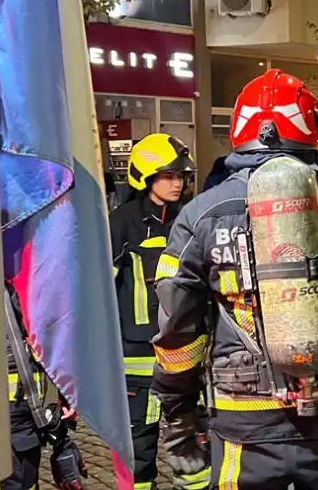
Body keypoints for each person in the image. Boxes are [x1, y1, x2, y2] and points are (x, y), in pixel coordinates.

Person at [150, 69, 318, 488]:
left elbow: (177, 328)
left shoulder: (200, 215)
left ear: (239, 130)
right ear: (311, 131)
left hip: (243, 419)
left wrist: (179, 410)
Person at [109, 133, 210, 490]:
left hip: (188, 354)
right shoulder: (121, 224)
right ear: (145, 177)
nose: (177, 182)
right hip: (136, 356)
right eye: (168, 175)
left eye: (181, 176)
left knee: (194, 441)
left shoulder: (193, 220)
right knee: (138, 446)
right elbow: (102, 291)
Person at [0, 278, 88, 490]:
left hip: (22, 419)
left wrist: (60, 398)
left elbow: (39, 351)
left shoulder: (12, 287)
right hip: (9, 418)